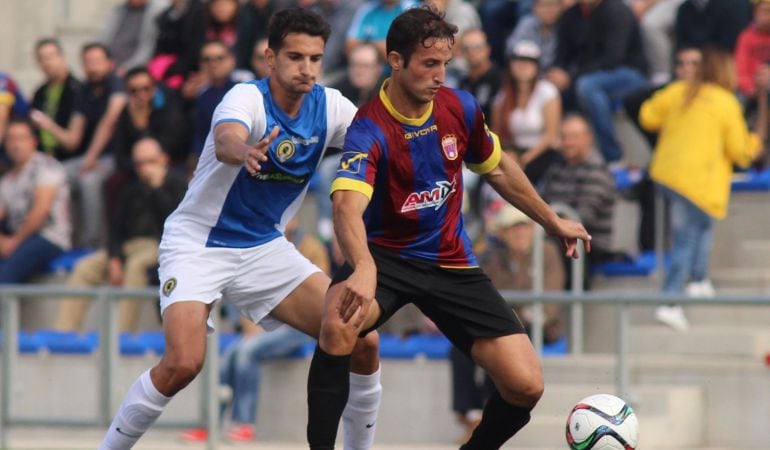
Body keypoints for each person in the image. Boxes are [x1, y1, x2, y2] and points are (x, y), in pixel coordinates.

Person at [306, 7, 591, 450]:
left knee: (526, 385)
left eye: (444, 64)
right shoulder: (369, 127)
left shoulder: (460, 108)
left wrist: (551, 220)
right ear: (395, 60)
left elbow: (498, 170)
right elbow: (346, 207)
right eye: (428, 64)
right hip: (385, 257)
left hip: (451, 260)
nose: (440, 75)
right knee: (338, 322)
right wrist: (362, 267)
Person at [96, 9, 382, 450]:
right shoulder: (243, 98)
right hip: (198, 242)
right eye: (294, 57)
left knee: (361, 338)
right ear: (270, 57)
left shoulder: (332, 106)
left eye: (315, 58)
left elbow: (381, 139)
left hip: (265, 247)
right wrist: (245, 150)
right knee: (183, 364)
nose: (306, 68)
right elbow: (229, 137)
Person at [640, 47, 766, 331]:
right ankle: (669, 302)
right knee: (685, 240)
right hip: (696, 183)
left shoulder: (678, 91)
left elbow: (648, 115)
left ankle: (698, 280)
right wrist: (757, 140)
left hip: (669, 174)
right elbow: (741, 152)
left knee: (703, 225)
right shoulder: (725, 102)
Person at [180, 217, 326, 443]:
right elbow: (246, 292)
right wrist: (252, 327)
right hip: (264, 322)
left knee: (248, 352)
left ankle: (244, 423)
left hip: (298, 327)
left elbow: (318, 301)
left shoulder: (312, 248)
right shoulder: (259, 245)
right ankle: (211, 423)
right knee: (229, 356)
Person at [53, 138, 186, 332]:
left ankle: (121, 334)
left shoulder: (177, 186)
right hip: (129, 246)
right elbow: (115, 228)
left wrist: (156, 189)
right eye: (140, 163)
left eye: (151, 161)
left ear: (163, 159)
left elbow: (173, 224)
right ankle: (63, 333)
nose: (145, 168)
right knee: (84, 268)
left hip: (161, 246)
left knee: (135, 266)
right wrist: (114, 257)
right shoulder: (130, 188)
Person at [546, 0, 649, 165]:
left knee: (587, 86)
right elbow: (562, 55)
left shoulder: (617, 10)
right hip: (588, 73)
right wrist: (557, 72)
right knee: (548, 88)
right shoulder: (570, 15)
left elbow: (613, 58)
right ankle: (559, 153)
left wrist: (570, 76)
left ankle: (613, 157)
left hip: (629, 73)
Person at [538, 114, 618, 283]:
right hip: (556, 234)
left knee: (548, 247)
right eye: (564, 137)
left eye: (574, 137)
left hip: (589, 244)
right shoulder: (557, 167)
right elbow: (540, 201)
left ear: (589, 138)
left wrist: (546, 224)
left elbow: (582, 218)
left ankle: (549, 306)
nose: (568, 143)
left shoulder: (597, 171)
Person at [0, 119, 71, 283]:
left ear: (33, 141)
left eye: (20, 138)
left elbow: (40, 212)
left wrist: (14, 242)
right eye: (10, 139)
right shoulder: (7, 180)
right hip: (18, 239)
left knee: (5, 275)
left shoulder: (47, 167)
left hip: (48, 238)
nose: (15, 144)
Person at [491, 40, 562, 185]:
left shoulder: (547, 92)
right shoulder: (502, 97)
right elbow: (496, 134)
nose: (522, 66)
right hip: (512, 153)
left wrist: (525, 159)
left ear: (537, 67)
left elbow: (551, 135)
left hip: (542, 154)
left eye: (529, 62)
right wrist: (510, 157)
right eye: (517, 62)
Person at [77, 43, 127, 247]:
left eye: (97, 61)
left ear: (110, 63)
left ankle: (93, 244)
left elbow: (110, 120)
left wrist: (89, 158)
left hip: (115, 156)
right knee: (57, 174)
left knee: (89, 181)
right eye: (88, 62)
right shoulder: (83, 89)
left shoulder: (117, 84)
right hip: (91, 157)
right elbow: (73, 134)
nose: (92, 67)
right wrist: (47, 124)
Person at [29, 38, 86, 161]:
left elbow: (73, 142)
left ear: (62, 58)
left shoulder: (77, 90)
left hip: (69, 158)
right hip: (42, 156)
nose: (47, 63)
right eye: (41, 59)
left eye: (50, 57)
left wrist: (47, 124)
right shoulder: (40, 92)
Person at [101, 0, 167, 75]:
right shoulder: (119, 10)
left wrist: (127, 67)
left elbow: (147, 47)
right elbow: (105, 37)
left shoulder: (156, 12)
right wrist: (103, 60)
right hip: (108, 63)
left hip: (133, 68)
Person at [505, 0, 564, 72]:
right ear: (535, 8)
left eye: (553, 5)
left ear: (561, 7)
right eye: (544, 6)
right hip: (528, 73)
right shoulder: (526, 25)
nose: (549, 10)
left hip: (554, 76)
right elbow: (512, 50)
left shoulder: (567, 27)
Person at [735, 0, 770, 102]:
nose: (768, 16)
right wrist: (750, 88)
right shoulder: (746, 37)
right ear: (755, 13)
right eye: (765, 11)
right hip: (750, 91)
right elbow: (740, 69)